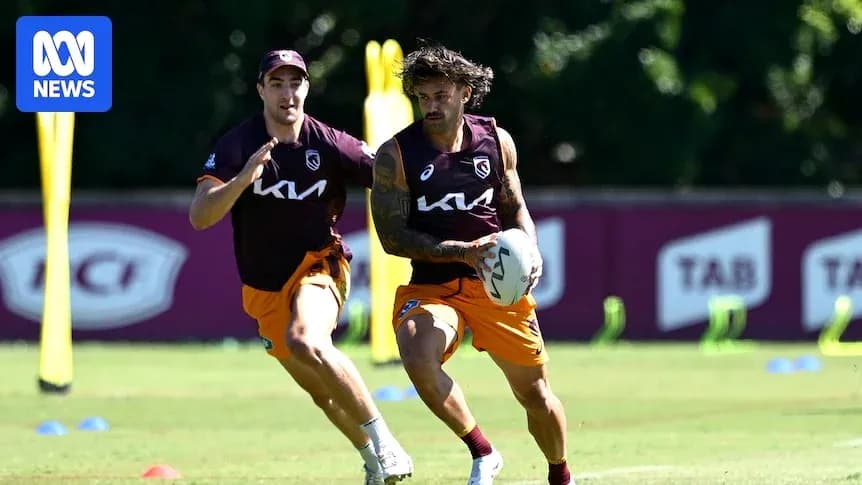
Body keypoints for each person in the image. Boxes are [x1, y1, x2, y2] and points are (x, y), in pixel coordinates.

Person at [189, 49, 413, 485]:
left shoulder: (328, 142)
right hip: (263, 286)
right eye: (277, 84)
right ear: (261, 91)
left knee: (307, 338)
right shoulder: (237, 144)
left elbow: (392, 174)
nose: (287, 93)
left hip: (319, 264)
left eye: (295, 83)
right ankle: (372, 462)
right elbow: (200, 217)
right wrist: (241, 181)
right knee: (321, 394)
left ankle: (386, 439)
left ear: (307, 87)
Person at [369, 43, 573, 485]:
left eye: (440, 95)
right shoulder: (396, 156)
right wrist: (462, 252)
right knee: (417, 354)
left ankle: (560, 474)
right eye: (422, 97)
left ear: (465, 91)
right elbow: (391, 238)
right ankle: (482, 451)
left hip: (496, 286)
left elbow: (515, 207)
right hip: (433, 287)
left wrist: (530, 248)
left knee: (536, 396)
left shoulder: (497, 141)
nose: (431, 106)